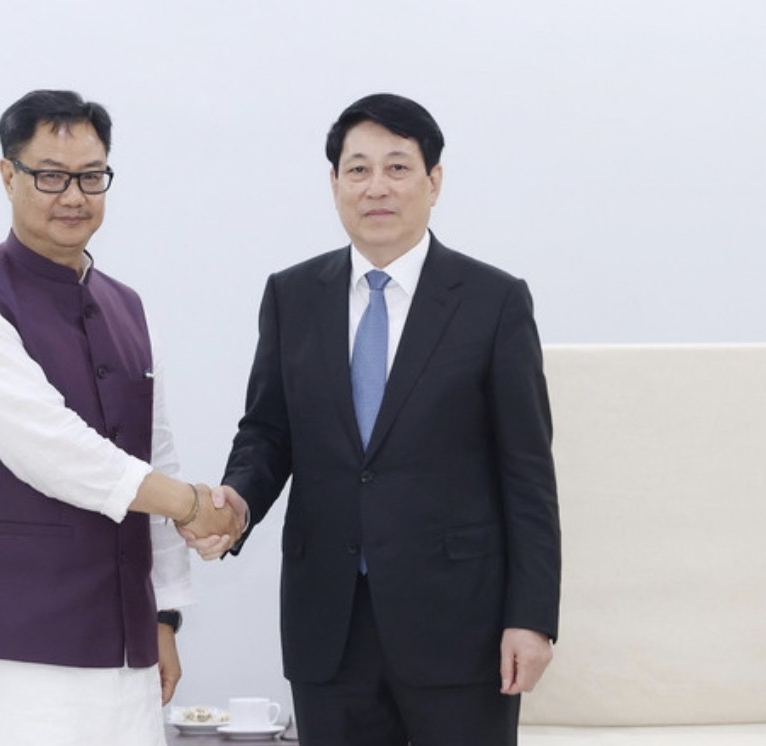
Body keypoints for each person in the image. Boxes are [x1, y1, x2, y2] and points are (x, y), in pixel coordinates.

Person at [187, 93, 561, 745]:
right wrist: (238, 502)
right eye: (357, 169)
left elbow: (527, 472)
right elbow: (267, 433)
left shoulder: (494, 301)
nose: (376, 187)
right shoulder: (292, 295)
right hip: (328, 622)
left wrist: (530, 618)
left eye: (397, 167)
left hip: (458, 624)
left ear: (433, 181)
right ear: (334, 184)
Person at [0, 89, 243, 746]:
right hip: (9, 644)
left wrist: (165, 616)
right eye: (50, 176)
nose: (73, 196)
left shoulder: (125, 305)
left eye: (91, 177)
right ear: (8, 176)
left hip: (122, 644)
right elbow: (55, 451)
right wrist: (191, 504)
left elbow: (157, 451)